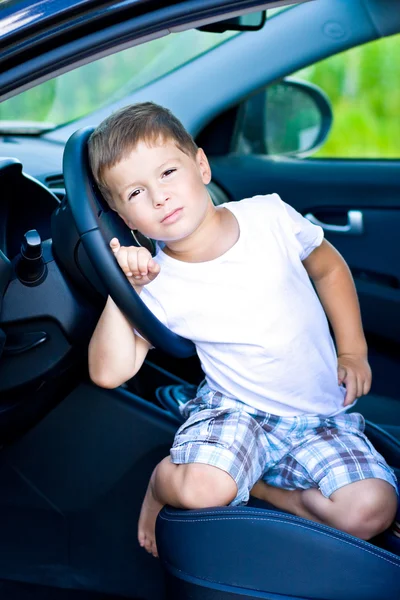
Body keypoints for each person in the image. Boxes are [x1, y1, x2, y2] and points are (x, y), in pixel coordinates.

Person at [87, 102, 397, 558]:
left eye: (168, 172)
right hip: (237, 413)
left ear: (201, 165)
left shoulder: (268, 217)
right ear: (128, 221)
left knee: (371, 509)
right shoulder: (157, 280)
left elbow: (329, 267)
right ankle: (162, 481)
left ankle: (265, 491)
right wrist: (123, 289)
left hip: (317, 415)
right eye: (135, 194)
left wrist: (352, 350)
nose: (159, 197)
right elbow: (108, 372)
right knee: (201, 489)